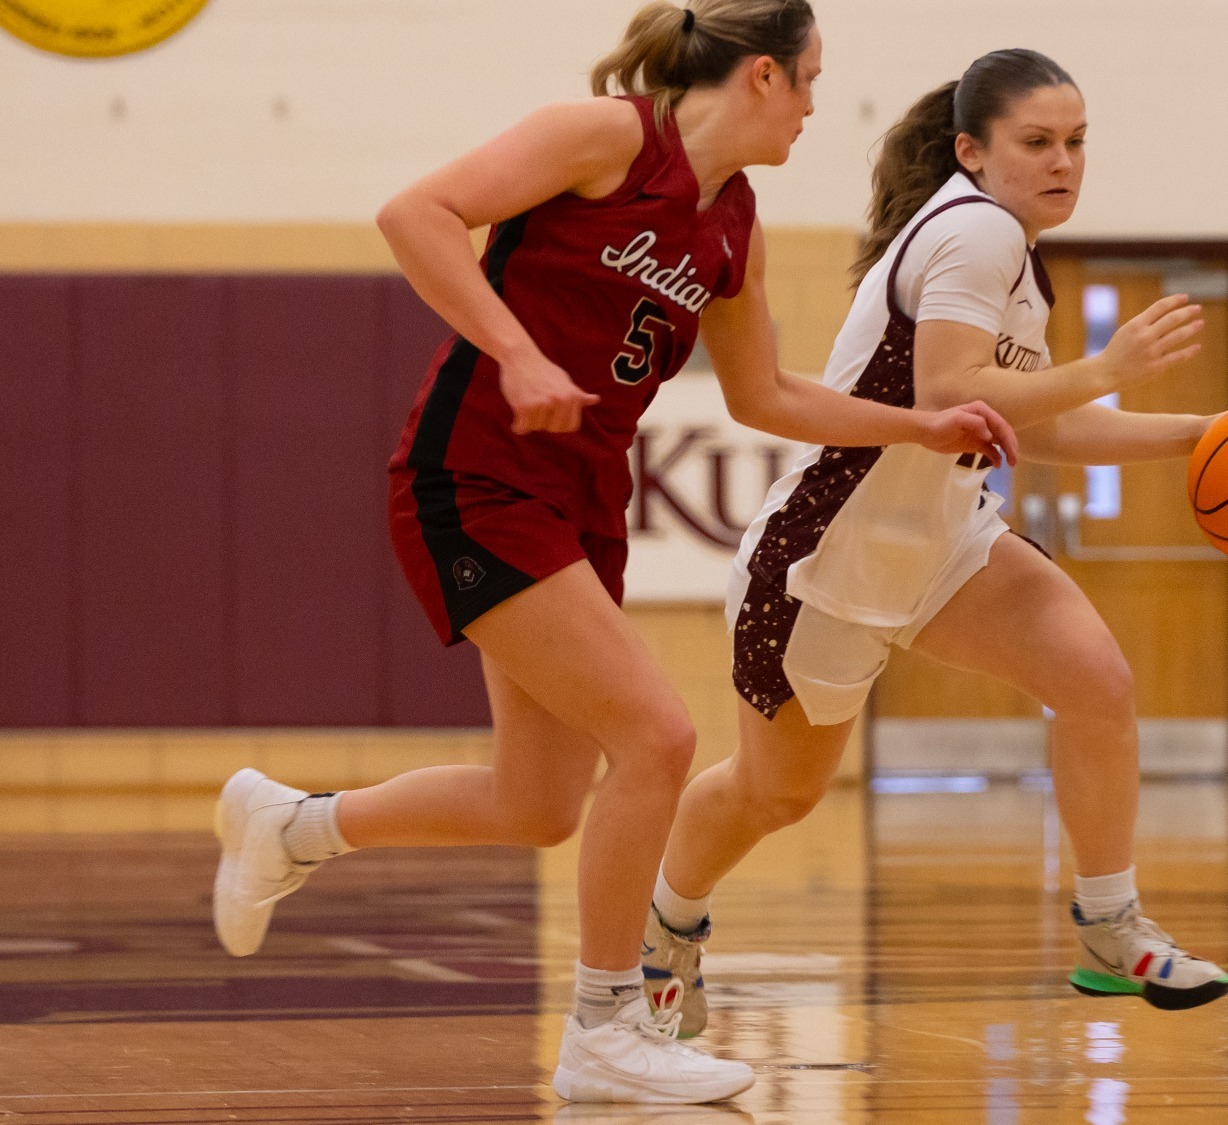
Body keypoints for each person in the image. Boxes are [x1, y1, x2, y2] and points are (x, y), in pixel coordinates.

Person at [208, 0, 1017, 1106]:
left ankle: (292, 828)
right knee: (658, 737)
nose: (818, 108)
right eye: (811, 79)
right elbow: (415, 215)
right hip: (474, 474)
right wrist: (518, 354)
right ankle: (605, 1027)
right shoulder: (604, 138)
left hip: (581, 502)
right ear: (763, 77)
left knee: (536, 803)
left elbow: (763, 395)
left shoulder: (736, 224)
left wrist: (918, 425)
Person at [636, 48, 1228, 1038]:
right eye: (1036, 142)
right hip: (829, 559)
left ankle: (1107, 928)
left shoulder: (1008, 251)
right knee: (772, 795)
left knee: (1095, 681)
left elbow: (1027, 428)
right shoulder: (976, 233)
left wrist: (1204, 437)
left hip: (945, 543)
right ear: (970, 150)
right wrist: (1107, 366)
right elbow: (950, 393)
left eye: (1076, 143)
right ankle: (662, 939)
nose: (1063, 163)